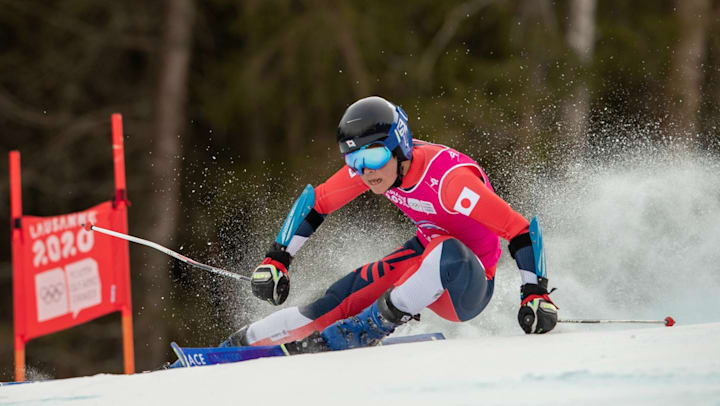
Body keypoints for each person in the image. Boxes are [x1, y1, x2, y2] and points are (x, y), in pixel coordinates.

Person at [222, 95, 558, 353]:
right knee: (337, 300)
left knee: (447, 250)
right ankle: (243, 342)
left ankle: (371, 325)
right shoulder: (378, 169)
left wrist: (534, 294)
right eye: (353, 161)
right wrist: (278, 258)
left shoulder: (450, 183)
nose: (365, 171)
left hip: (467, 284)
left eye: (372, 158)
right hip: (423, 258)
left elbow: (519, 230)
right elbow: (317, 203)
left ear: (399, 146)